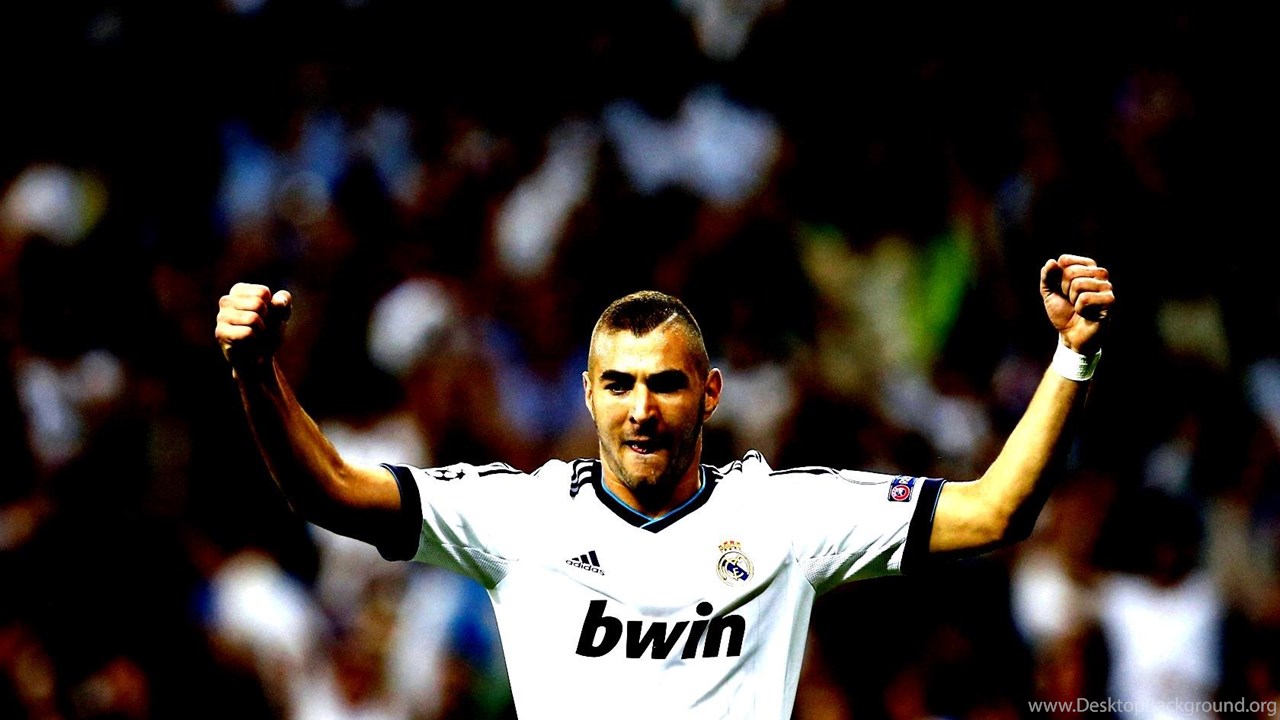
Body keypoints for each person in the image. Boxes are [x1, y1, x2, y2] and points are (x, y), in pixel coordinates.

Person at [214, 254, 1114, 719]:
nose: (641, 410)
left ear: (710, 393)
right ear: (588, 396)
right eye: (618, 385)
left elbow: (996, 510)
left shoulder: (786, 515)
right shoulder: (519, 516)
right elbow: (331, 491)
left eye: (666, 385)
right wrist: (255, 371)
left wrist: (1073, 357)